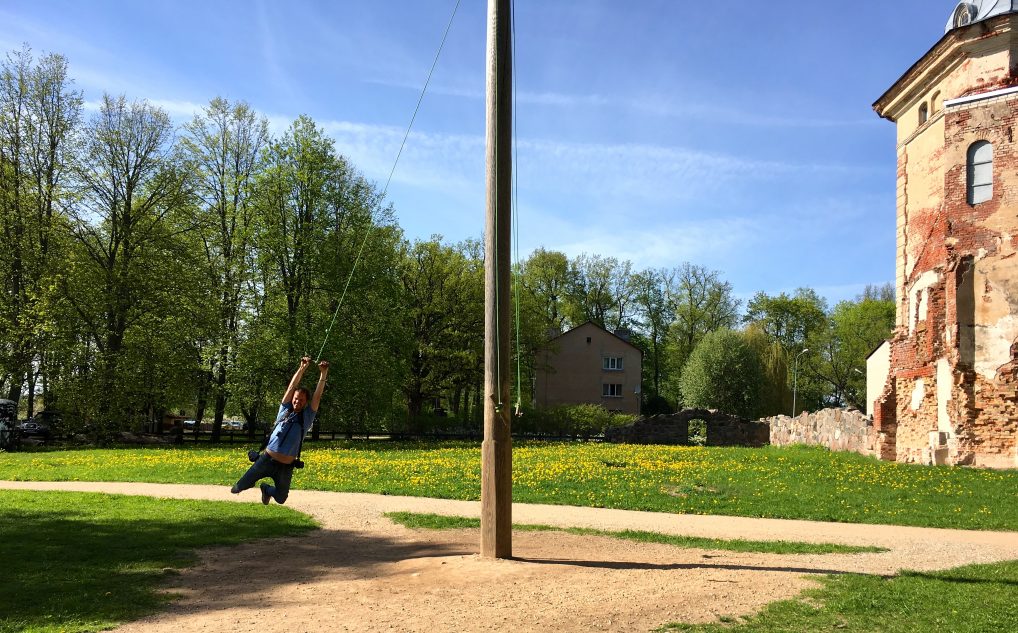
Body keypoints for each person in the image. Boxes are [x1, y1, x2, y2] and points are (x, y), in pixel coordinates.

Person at [230, 356, 329, 505]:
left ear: (306, 402)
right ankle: (249, 483)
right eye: (296, 398)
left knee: (281, 498)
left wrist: (323, 373)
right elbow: (291, 387)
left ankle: (266, 489)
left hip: (285, 467)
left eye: (301, 400)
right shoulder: (284, 409)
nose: (297, 401)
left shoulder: (307, 416)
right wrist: (302, 368)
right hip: (266, 460)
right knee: (237, 488)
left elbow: (317, 396)